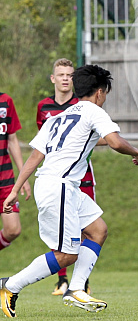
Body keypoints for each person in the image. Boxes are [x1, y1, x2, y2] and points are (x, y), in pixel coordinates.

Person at [0, 65, 138, 318]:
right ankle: (9, 286)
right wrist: (136, 153)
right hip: (59, 186)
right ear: (100, 92)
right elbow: (115, 142)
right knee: (67, 254)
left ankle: (76, 289)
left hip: (63, 186)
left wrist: (14, 190)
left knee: (98, 230)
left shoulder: (60, 116)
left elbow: (36, 156)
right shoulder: (94, 111)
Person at [37, 58, 98, 296]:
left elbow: (101, 136)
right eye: (61, 74)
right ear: (53, 78)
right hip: (56, 178)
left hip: (82, 177)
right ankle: (62, 281)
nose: (65, 78)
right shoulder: (44, 107)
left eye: (70, 75)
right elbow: (43, 143)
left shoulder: (83, 105)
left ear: (75, 80)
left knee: (89, 228)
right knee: (59, 228)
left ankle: (81, 282)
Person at [0, 92, 32, 254]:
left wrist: (23, 176)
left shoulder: (6, 101)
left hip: (5, 179)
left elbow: (12, 140)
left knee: (13, 229)